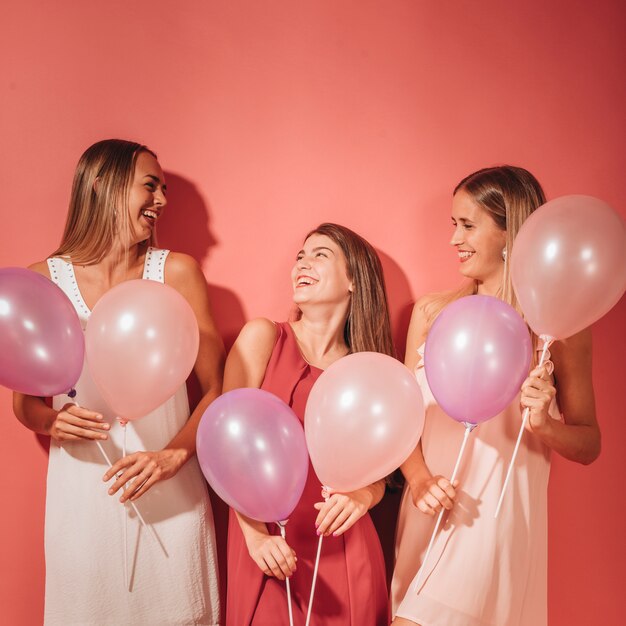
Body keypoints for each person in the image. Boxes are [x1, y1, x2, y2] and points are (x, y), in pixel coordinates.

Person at [13, 139, 224, 625]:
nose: (163, 200)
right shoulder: (45, 281)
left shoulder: (178, 273)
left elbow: (215, 388)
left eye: (165, 189)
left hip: (172, 491)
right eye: (151, 185)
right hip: (84, 497)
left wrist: (176, 456)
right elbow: (23, 403)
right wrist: (51, 421)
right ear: (101, 184)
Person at [391, 166, 601, 626]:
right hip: (428, 509)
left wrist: (546, 423)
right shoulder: (431, 313)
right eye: (453, 224)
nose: (453, 240)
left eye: (467, 225)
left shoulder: (557, 329)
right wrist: (421, 479)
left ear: (512, 233)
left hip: (492, 520)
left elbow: (589, 444)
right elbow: (402, 421)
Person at [224, 223, 391, 625]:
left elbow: (380, 473)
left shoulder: (367, 370)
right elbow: (224, 447)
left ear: (354, 279)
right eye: (300, 255)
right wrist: (254, 536)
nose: (302, 263)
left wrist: (363, 497)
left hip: (346, 549)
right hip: (267, 545)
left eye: (321, 255)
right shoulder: (263, 336)